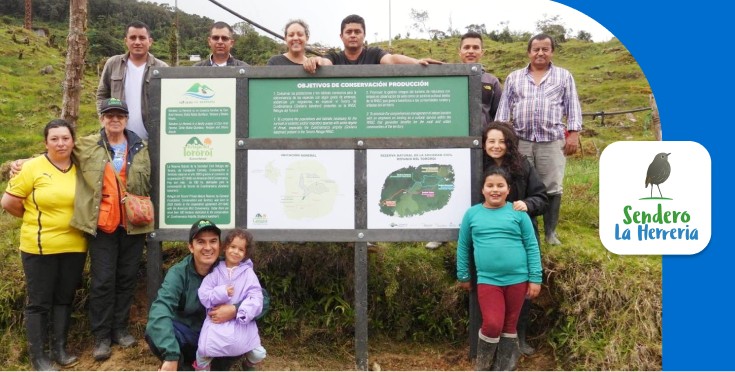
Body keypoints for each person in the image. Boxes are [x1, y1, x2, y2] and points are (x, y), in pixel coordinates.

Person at [68, 98, 153, 361]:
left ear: (126, 119)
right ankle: (101, 336)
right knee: (103, 281)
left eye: (119, 115)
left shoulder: (141, 147)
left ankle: (121, 329)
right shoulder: (86, 145)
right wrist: (20, 163)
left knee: (127, 279)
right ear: (102, 119)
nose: (114, 119)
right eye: (109, 115)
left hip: (133, 225)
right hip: (103, 225)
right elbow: (55, 153)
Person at [2, 119, 87, 370]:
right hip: (40, 246)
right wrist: (32, 218)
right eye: (54, 139)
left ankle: (59, 350)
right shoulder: (32, 168)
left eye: (65, 138)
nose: (61, 143)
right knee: (39, 302)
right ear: (45, 143)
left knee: (64, 298)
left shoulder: (80, 167)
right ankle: (39, 357)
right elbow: (8, 202)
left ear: (73, 141)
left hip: (74, 245)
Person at [494, 33, 583, 246]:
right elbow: (504, 110)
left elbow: (573, 107)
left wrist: (574, 134)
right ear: (529, 52)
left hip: (551, 140)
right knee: (521, 186)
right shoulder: (514, 77)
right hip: (521, 141)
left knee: (552, 186)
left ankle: (550, 233)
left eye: (545, 49)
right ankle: (526, 231)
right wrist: (501, 136)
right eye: (536, 49)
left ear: (551, 52)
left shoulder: (564, 76)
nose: (540, 53)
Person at [456, 166, 542, 371]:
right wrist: (463, 274)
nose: (495, 190)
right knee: (493, 324)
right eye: (490, 185)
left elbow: (531, 245)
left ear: (508, 189)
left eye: (500, 185)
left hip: (518, 279)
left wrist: (535, 278)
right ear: (483, 190)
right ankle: (483, 365)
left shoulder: (518, 214)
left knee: (509, 325)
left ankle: (504, 366)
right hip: (488, 279)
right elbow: (463, 245)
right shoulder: (472, 214)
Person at [425, 31, 503, 251]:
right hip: (451, 145)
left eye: (475, 47)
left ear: (481, 52)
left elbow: (498, 115)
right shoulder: (447, 77)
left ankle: (481, 233)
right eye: (467, 47)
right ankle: (440, 232)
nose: (471, 51)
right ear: (460, 51)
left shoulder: (491, 81)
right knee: (447, 185)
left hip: (483, 146)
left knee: (481, 188)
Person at [482, 121, 548, 356]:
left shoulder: (523, 165)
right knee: (487, 288)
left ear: (510, 143)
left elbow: (542, 197)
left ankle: (519, 338)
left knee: (523, 290)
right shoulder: (476, 163)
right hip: (488, 237)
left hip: (521, 235)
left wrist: (527, 204)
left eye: (502, 141)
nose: (496, 146)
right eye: (491, 141)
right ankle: (490, 339)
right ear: (484, 143)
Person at [145, 219, 243, 371]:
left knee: (245, 321)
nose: (208, 247)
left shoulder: (231, 268)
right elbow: (161, 309)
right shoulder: (178, 273)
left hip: (219, 336)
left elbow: (260, 298)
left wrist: (235, 309)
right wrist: (171, 355)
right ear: (191, 247)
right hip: (189, 337)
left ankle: (220, 367)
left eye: (213, 241)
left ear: (220, 245)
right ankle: (181, 365)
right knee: (156, 328)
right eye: (201, 242)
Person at [193, 228, 266, 371]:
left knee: (259, 353)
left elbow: (256, 296)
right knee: (202, 352)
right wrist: (221, 292)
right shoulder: (215, 271)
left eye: (241, 249)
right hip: (216, 322)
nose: (235, 251)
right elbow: (204, 294)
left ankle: (248, 365)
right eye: (233, 247)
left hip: (241, 323)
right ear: (225, 247)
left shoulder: (248, 274)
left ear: (245, 253)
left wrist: (243, 311)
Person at [97, 21, 169, 141]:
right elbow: (102, 95)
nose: (137, 42)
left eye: (142, 38)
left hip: (150, 139)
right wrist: (104, 120)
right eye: (132, 38)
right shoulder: (113, 64)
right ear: (126, 41)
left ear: (150, 41)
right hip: (118, 137)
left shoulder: (161, 67)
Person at [302, 14, 442, 72]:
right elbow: (324, 63)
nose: (353, 35)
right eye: (349, 32)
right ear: (341, 36)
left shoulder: (374, 54)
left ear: (364, 35)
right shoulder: (334, 57)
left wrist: (416, 62)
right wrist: (315, 61)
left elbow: (392, 60)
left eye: (357, 32)